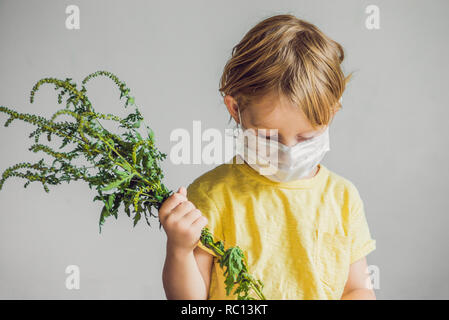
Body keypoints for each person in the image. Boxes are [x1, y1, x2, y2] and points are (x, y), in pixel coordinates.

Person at [159, 14, 376, 300]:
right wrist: (179, 249)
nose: (288, 151)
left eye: (306, 138)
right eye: (269, 137)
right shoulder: (212, 197)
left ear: (332, 113)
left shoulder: (343, 198)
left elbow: (357, 288)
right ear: (235, 109)